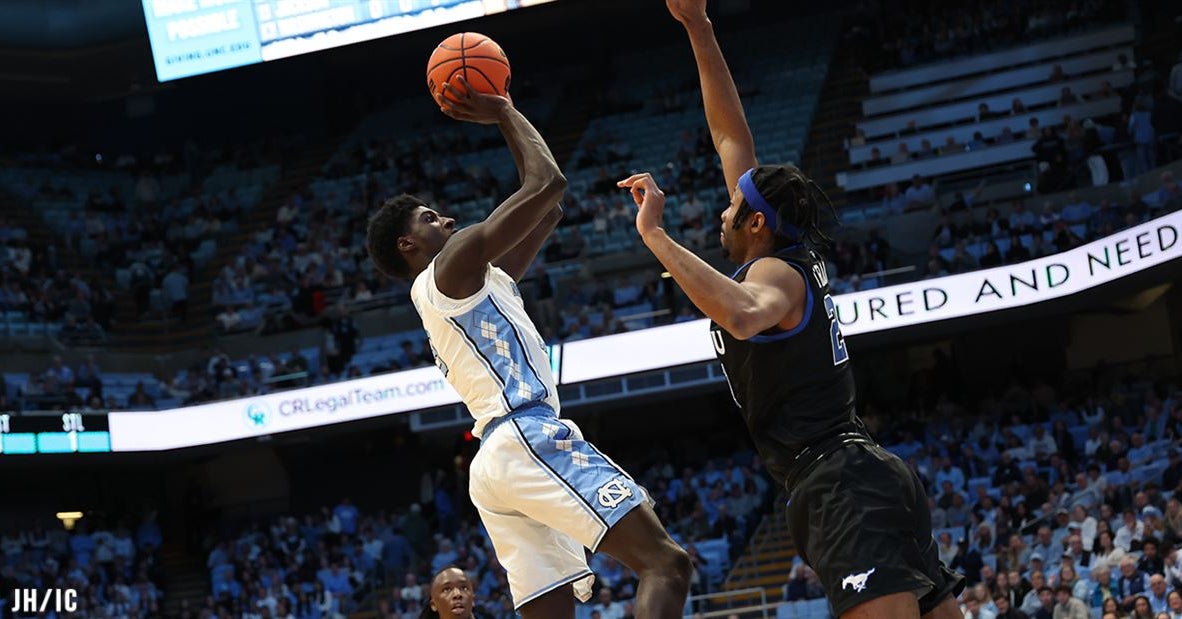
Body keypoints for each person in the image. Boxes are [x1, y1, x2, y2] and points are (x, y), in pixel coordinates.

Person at [617, 1, 965, 617]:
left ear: (755, 222)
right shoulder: (782, 249)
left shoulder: (773, 273)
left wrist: (657, 238)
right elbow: (730, 134)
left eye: (732, 208)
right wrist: (698, 26)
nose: (721, 210)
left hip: (840, 484)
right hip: (861, 472)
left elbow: (746, 315)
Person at [365, 78, 689, 619]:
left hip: (494, 463)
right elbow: (549, 181)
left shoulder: (470, 282)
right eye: (429, 217)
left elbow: (548, 210)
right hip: (526, 434)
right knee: (665, 563)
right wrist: (503, 111)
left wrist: (509, 127)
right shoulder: (451, 264)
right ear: (408, 246)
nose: (445, 219)